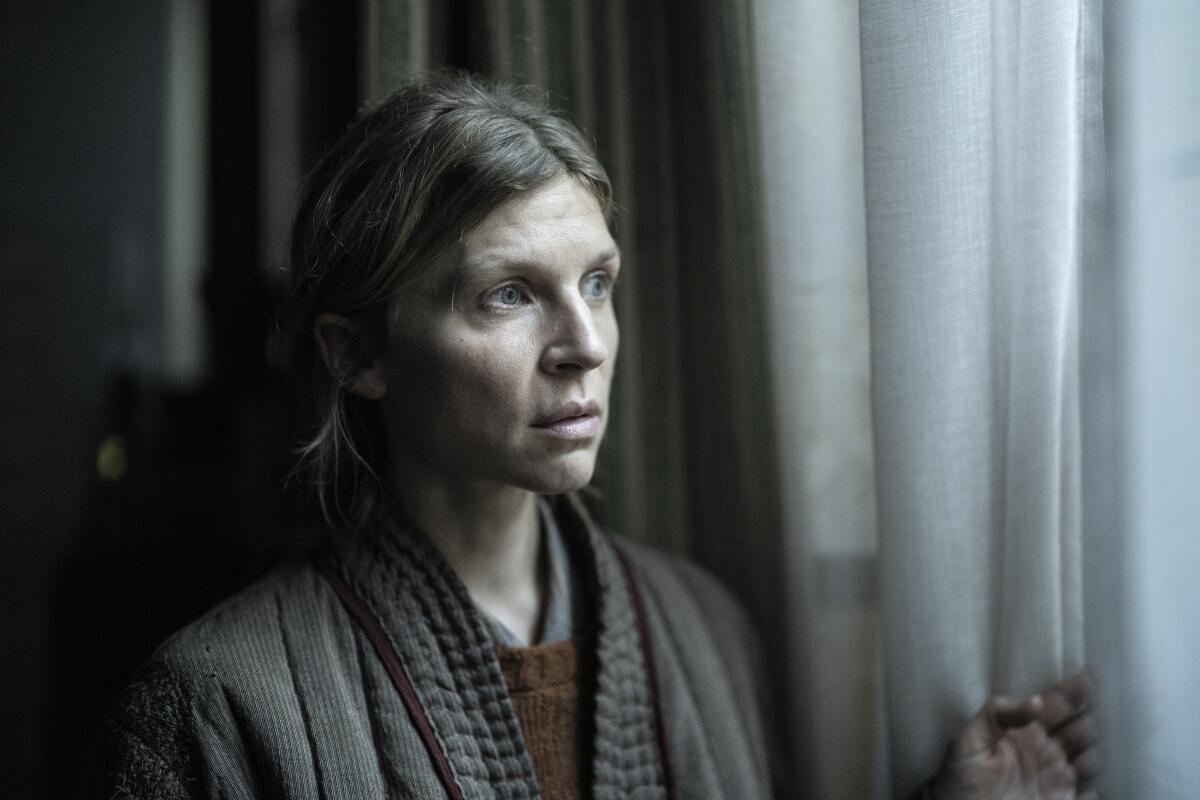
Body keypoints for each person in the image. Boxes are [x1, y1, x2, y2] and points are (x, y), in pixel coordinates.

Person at [92, 73, 1099, 799]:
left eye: (597, 284)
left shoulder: (706, 628)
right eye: (507, 294)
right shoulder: (214, 705)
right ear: (359, 354)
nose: (584, 344)